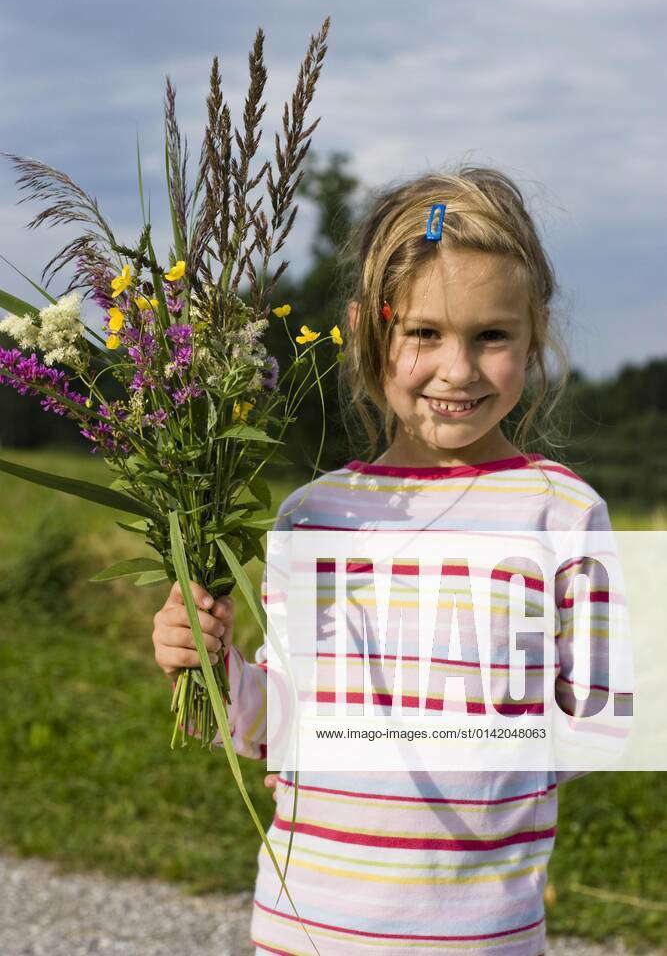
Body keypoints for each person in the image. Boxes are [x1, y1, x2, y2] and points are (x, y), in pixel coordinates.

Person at [153, 166, 617, 955]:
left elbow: (599, 721)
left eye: (490, 335)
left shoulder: (563, 513)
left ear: (534, 331)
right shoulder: (312, 514)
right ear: (371, 331)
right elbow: (276, 724)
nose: (457, 369)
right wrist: (208, 663)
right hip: (308, 929)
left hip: (479, 934)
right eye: (424, 333)